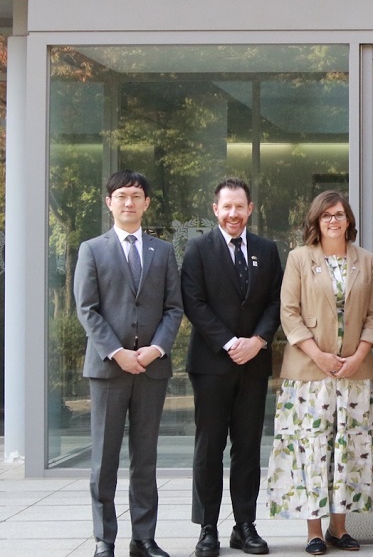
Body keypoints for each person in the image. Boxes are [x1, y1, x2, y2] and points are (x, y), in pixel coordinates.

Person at [266, 191, 373, 554]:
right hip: (308, 374)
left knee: (347, 448)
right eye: (326, 216)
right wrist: (319, 355)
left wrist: (358, 355)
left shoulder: (365, 260)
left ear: (349, 220)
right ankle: (314, 532)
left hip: (354, 373)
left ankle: (340, 528)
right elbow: (289, 312)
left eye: (339, 215)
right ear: (316, 222)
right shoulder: (299, 259)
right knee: (312, 448)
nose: (333, 221)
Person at [74, 169, 184, 557]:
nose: (128, 202)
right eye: (121, 195)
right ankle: (105, 539)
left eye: (136, 196)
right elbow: (87, 309)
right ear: (109, 202)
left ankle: (144, 537)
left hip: (151, 368)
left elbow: (174, 308)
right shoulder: (93, 249)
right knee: (104, 459)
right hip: (108, 369)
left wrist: (155, 349)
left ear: (146, 203)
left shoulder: (163, 251)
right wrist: (117, 352)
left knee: (145, 457)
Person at [181, 178, 283, 557]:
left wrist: (257, 341)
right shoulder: (198, 250)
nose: (234, 214)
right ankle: (208, 528)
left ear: (250, 209)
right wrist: (228, 343)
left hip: (254, 364)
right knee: (209, 448)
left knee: (247, 447)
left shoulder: (266, 250)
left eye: (240, 207)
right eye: (227, 207)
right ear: (216, 210)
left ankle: (245, 526)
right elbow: (194, 302)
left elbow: (276, 301)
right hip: (211, 364)